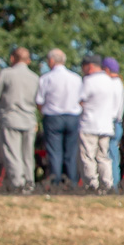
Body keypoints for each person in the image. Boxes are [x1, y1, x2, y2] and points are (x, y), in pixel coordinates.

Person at [0, 47, 39, 192]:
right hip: (29, 120)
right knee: (27, 155)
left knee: (12, 153)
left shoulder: (6, 74)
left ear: (12, 58)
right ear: (28, 60)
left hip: (10, 118)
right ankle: (29, 184)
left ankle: (18, 184)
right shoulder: (35, 77)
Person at [36, 48, 83, 187]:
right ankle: (72, 181)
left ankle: (55, 181)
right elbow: (81, 99)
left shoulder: (46, 78)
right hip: (73, 116)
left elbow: (39, 101)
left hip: (53, 116)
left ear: (51, 60)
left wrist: (43, 112)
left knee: (54, 152)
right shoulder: (76, 78)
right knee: (71, 152)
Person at [77, 54, 117, 193]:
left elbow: (80, 100)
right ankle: (107, 184)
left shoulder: (89, 81)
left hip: (89, 124)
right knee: (103, 157)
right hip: (106, 125)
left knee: (88, 157)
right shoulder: (110, 81)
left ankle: (91, 185)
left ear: (90, 67)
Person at [101, 58, 124, 187]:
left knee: (108, 155)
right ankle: (115, 183)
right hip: (117, 122)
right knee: (114, 154)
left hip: (110, 122)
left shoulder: (111, 84)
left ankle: (112, 185)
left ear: (106, 69)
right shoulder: (120, 84)